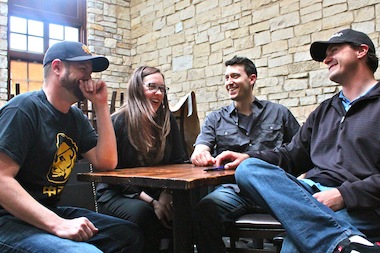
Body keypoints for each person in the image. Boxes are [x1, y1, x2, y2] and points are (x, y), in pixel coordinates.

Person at [214, 29, 380, 253]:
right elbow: (292, 156)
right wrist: (248, 157)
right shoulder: (325, 110)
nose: (327, 59)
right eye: (325, 55)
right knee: (248, 170)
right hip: (310, 194)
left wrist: (344, 195)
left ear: (362, 51)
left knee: (296, 243)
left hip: (361, 203)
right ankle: (345, 242)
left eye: (335, 50)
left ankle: (339, 240)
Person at [0, 41, 143, 253]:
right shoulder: (23, 110)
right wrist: (58, 224)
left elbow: (106, 162)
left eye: (91, 71)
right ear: (57, 68)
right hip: (8, 220)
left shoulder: (75, 118)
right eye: (82, 69)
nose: (89, 77)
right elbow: (1, 180)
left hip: (47, 211)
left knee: (128, 235)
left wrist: (101, 105)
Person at [191, 56, 300, 252]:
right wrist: (200, 152)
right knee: (203, 211)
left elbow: (301, 151)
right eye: (226, 78)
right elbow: (202, 145)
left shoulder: (279, 113)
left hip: (274, 189)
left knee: (309, 213)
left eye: (234, 76)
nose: (229, 82)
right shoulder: (216, 118)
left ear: (252, 79)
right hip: (235, 191)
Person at [96, 66, 188, 253]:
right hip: (117, 193)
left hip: (156, 191)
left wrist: (165, 194)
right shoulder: (118, 121)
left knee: (184, 208)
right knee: (145, 214)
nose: (158, 93)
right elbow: (112, 174)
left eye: (162, 89)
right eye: (152, 87)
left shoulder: (166, 119)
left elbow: (180, 162)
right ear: (137, 89)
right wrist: (153, 203)